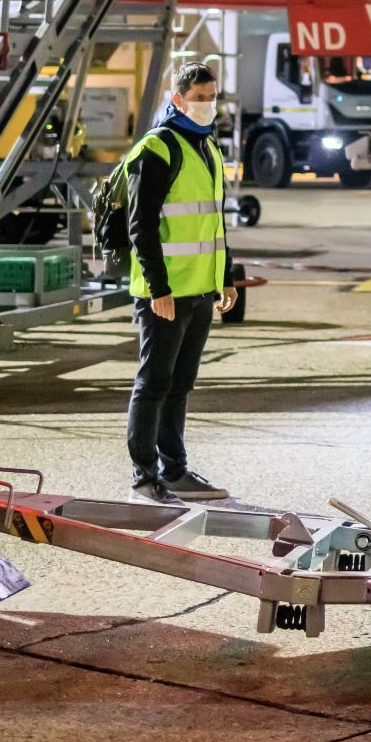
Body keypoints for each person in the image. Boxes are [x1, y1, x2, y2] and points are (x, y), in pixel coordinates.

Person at [124, 61, 237, 504]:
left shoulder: (208, 149)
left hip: (199, 290)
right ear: (178, 99)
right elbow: (142, 227)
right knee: (153, 383)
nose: (208, 106)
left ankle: (175, 471)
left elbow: (214, 224)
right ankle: (143, 477)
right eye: (200, 98)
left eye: (212, 98)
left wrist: (225, 278)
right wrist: (158, 289)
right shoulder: (157, 149)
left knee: (179, 384)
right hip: (165, 293)